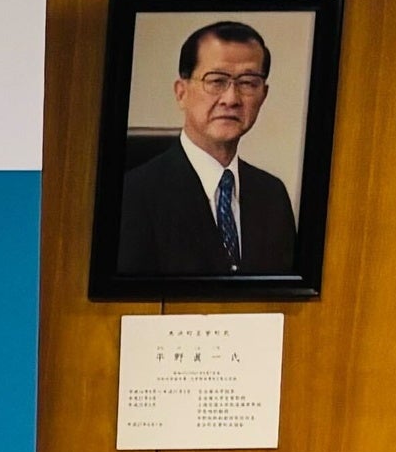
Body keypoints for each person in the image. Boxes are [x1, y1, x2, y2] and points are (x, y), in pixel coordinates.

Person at [117, 20, 300, 276]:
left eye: (248, 83)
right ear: (181, 93)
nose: (231, 99)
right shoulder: (132, 194)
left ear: (263, 95)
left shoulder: (272, 194)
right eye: (216, 81)